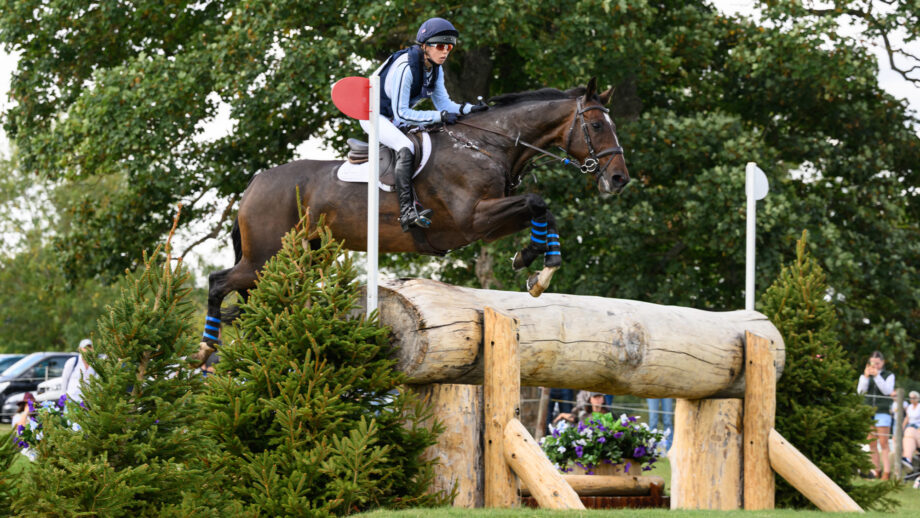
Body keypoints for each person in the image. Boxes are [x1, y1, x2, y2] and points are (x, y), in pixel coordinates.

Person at [362, 17, 488, 232]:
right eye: (440, 46)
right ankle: (407, 211)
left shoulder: (436, 69)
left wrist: (470, 109)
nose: (445, 52)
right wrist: (439, 116)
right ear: (424, 46)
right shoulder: (406, 68)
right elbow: (402, 113)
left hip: (396, 117)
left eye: (449, 47)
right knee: (406, 146)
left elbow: (445, 104)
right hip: (374, 116)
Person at [857, 351, 895, 480]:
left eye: (877, 363)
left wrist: (877, 376)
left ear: (882, 363)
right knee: (872, 443)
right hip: (869, 412)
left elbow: (887, 391)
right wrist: (866, 377)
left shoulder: (889, 375)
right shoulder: (865, 375)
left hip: (882, 412)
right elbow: (860, 392)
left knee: (883, 443)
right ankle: (875, 470)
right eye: (873, 363)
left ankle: (887, 472)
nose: (875, 366)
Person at [66, 338, 96, 403]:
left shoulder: (95, 364)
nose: (88, 350)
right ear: (79, 349)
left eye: (90, 347)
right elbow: (65, 379)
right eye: (85, 348)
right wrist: (63, 395)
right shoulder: (73, 361)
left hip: (88, 400)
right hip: (72, 398)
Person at [902, 390, 920, 469]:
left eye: (913, 398)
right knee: (909, 432)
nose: (912, 399)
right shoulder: (909, 407)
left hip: (917, 428)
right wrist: (901, 428)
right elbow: (907, 418)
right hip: (911, 429)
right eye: (910, 398)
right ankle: (907, 459)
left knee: (910, 431)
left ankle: (907, 458)